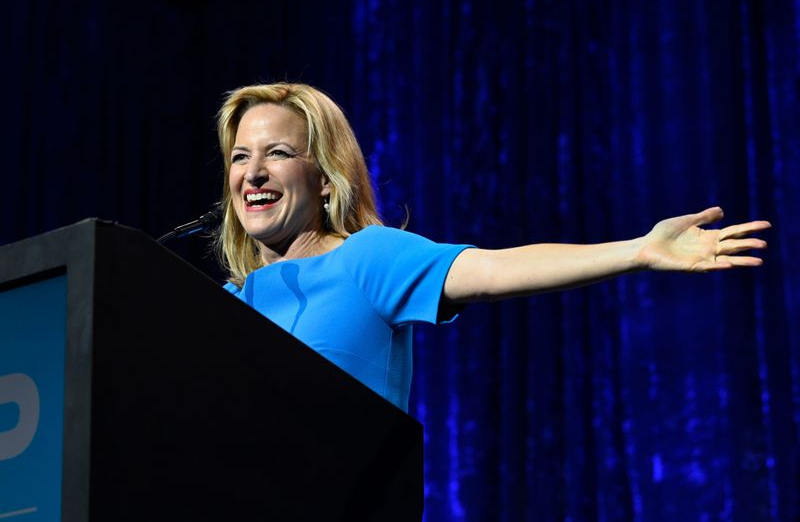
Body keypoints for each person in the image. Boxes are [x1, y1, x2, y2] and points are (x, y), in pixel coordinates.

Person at [216, 82, 770, 412]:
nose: (254, 173)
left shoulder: (368, 259)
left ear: (327, 177)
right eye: (241, 157)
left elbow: (494, 269)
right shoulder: (219, 305)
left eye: (278, 153)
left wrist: (638, 250)